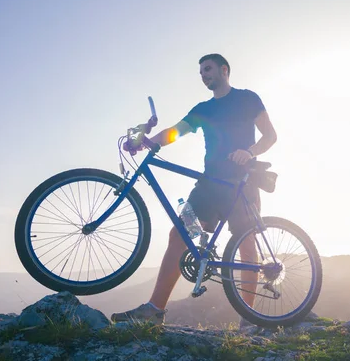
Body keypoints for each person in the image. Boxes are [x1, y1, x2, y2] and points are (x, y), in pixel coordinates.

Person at [111, 54, 277, 327]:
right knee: (179, 234)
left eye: (208, 69)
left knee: (246, 244)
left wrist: (249, 152)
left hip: (240, 182)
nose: (203, 75)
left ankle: (250, 317)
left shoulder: (248, 99)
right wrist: (149, 142)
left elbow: (270, 136)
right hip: (209, 183)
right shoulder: (203, 109)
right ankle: (154, 310)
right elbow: (176, 131)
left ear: (224, 70)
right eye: (201, 72)